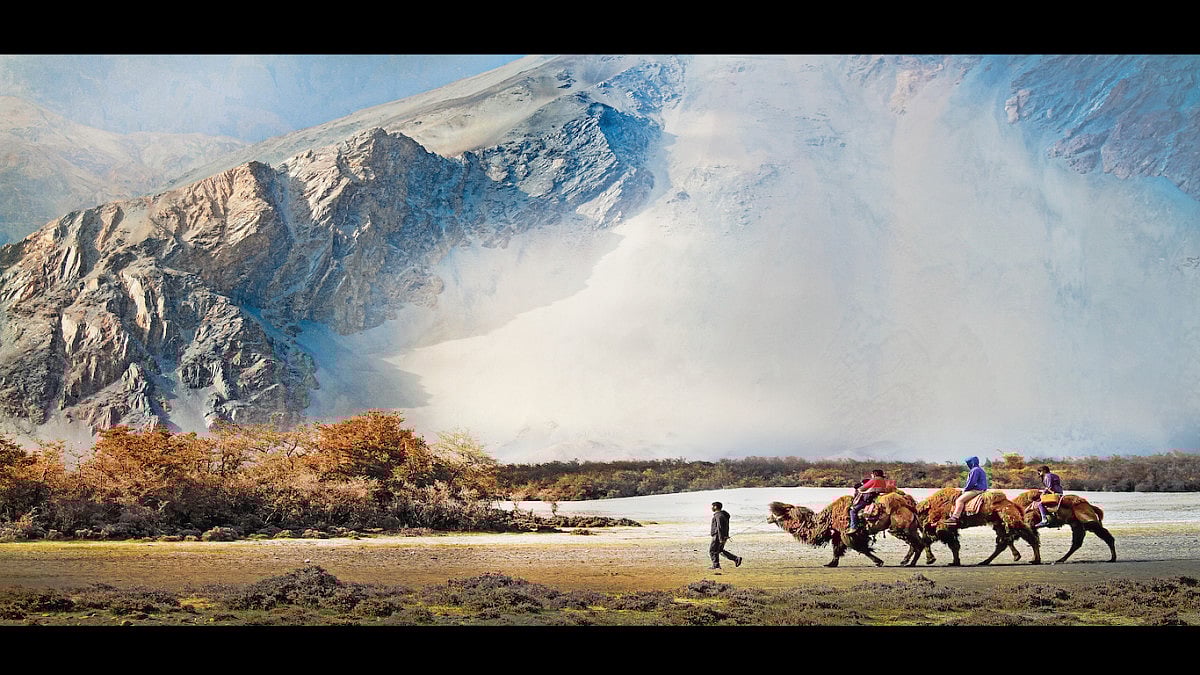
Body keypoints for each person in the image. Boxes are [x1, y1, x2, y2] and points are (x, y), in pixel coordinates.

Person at [944, 456, 988, 527]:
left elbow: (971, 482)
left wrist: (965, 489)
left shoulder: (975, 470)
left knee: (959, 500)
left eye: (968, 463)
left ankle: (955, 517)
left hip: (977, 489)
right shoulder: (980, 469)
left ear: (972, 463)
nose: (968, 465)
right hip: (982, 489)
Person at [848, 469, 888, 533]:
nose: (871, 475)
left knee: (853, 511)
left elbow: (863, 488)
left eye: (872, 474)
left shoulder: (874, 480)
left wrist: (860, 487)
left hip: (868, 500)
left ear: (875, 474)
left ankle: (853, 527)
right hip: (877, 498)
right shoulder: (883, 480)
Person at [709, 501, 743, 570]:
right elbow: (724, 527)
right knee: (720, 550)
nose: (711, 508)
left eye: (712, 506)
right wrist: (725, 536)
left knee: (712, 551)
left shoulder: (718, 515)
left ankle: (716, 565)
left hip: (717, 536)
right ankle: (736, 559)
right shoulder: (723, 514)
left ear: (715, 507)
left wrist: (721, 538)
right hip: (722, 536)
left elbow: (720, 527)